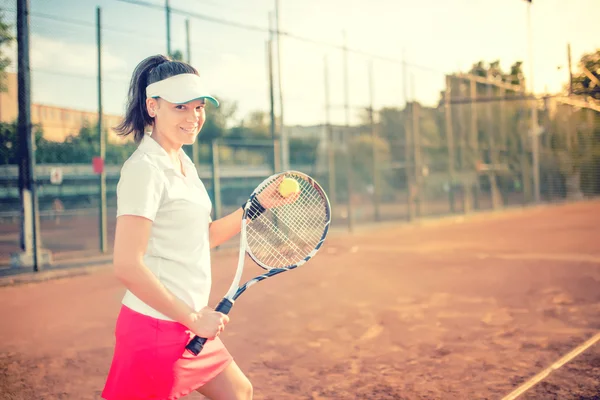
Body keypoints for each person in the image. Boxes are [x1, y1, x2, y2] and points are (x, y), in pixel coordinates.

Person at [102, 54, 254, 400]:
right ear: (152, 106)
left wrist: (255, 208)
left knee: (239, 392)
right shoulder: (145, 169)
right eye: (181, 107)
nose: (193, 117)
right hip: (155, 326)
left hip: (184, 324)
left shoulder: (183, 161)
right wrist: (191, 317)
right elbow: (127, 264)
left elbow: (201, 238)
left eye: (199, 107)